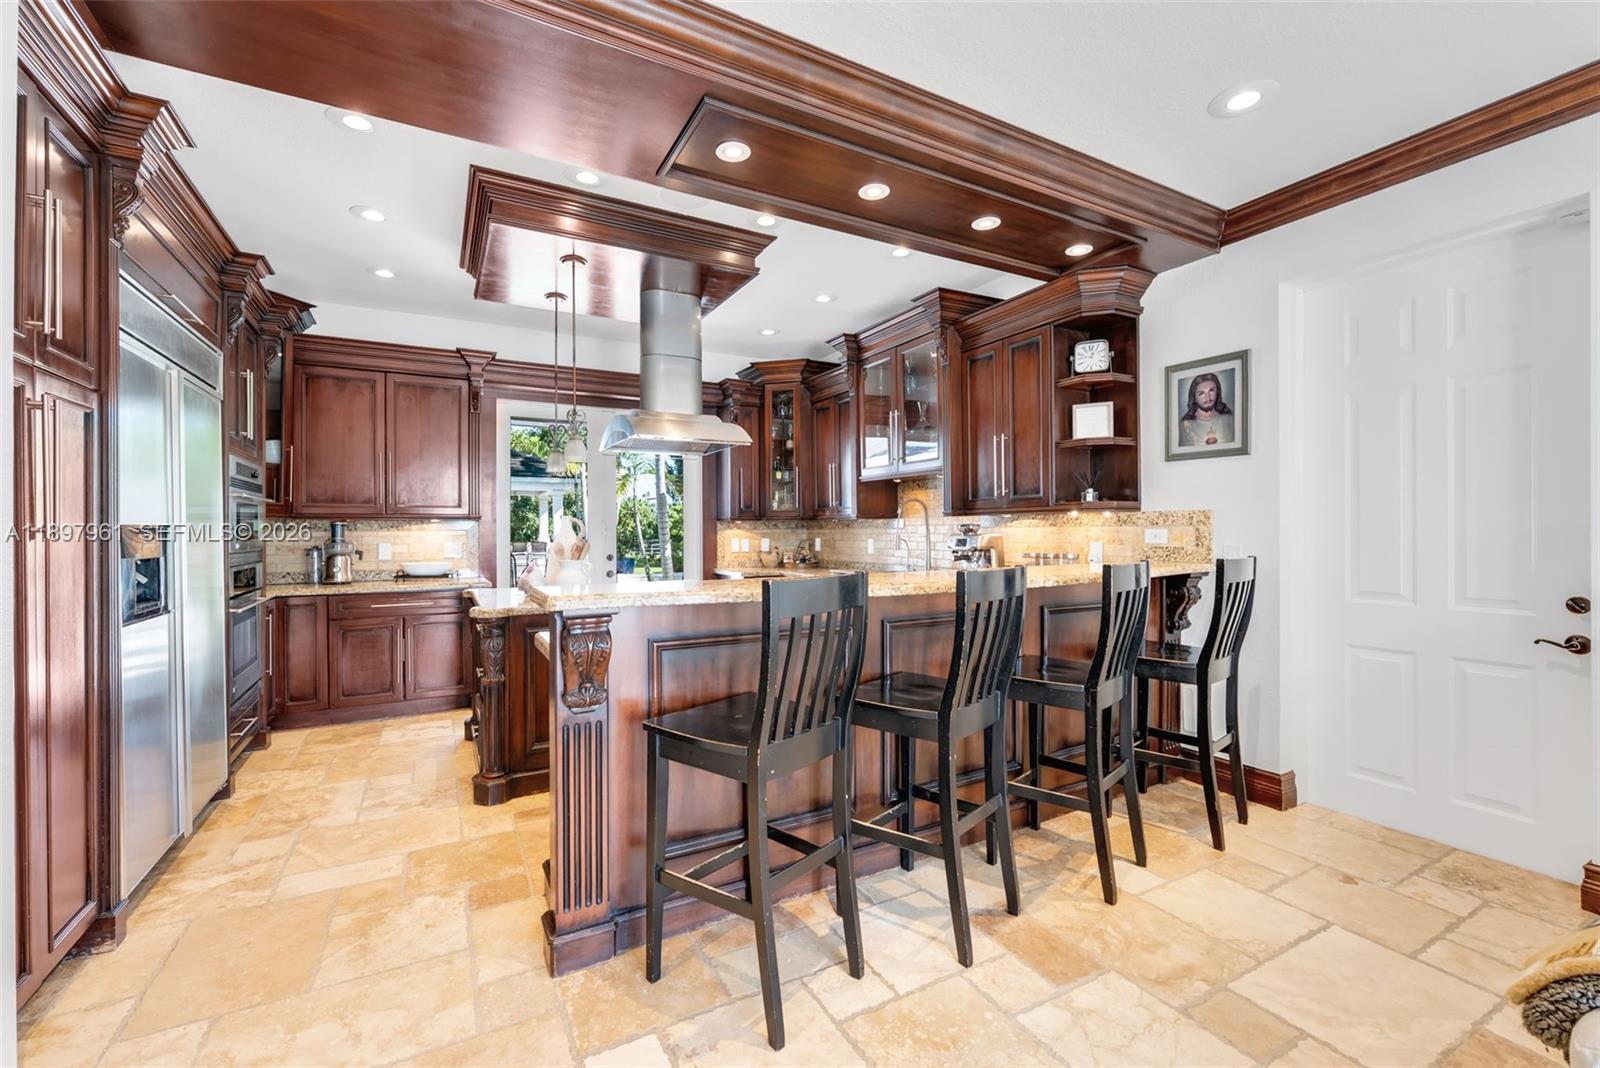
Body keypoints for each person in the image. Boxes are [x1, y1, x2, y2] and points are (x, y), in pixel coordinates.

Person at [1179, 372, 1234, 447]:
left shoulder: (1229, 418)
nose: (1207, 398)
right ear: (1194, 397)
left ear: (1217, 392)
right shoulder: (1184, 425)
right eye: (1201, 393)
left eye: (1211, 390)